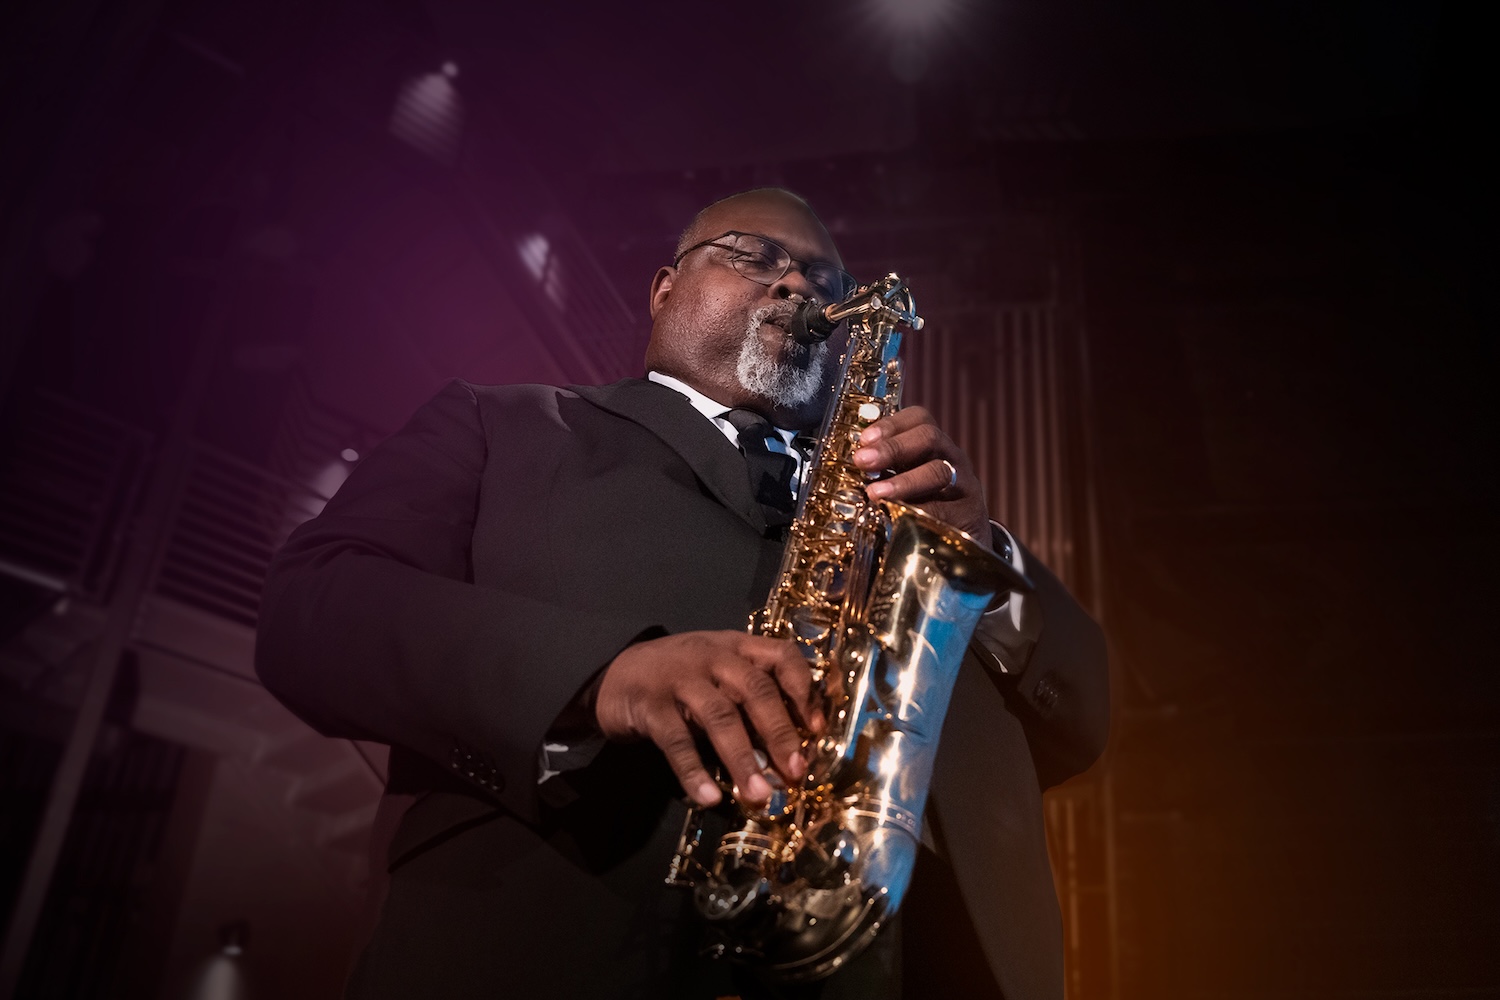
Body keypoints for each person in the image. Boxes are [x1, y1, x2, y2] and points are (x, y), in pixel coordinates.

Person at [255, 188, 1109, 999]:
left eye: (825, 280)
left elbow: (1081, 722)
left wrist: (983, 558)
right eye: (754, 255)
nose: (795, 284)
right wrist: (600, 676)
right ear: (665, 289)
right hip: (561, 950)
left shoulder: (913, 492)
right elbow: (315, 608)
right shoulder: (502, 423)